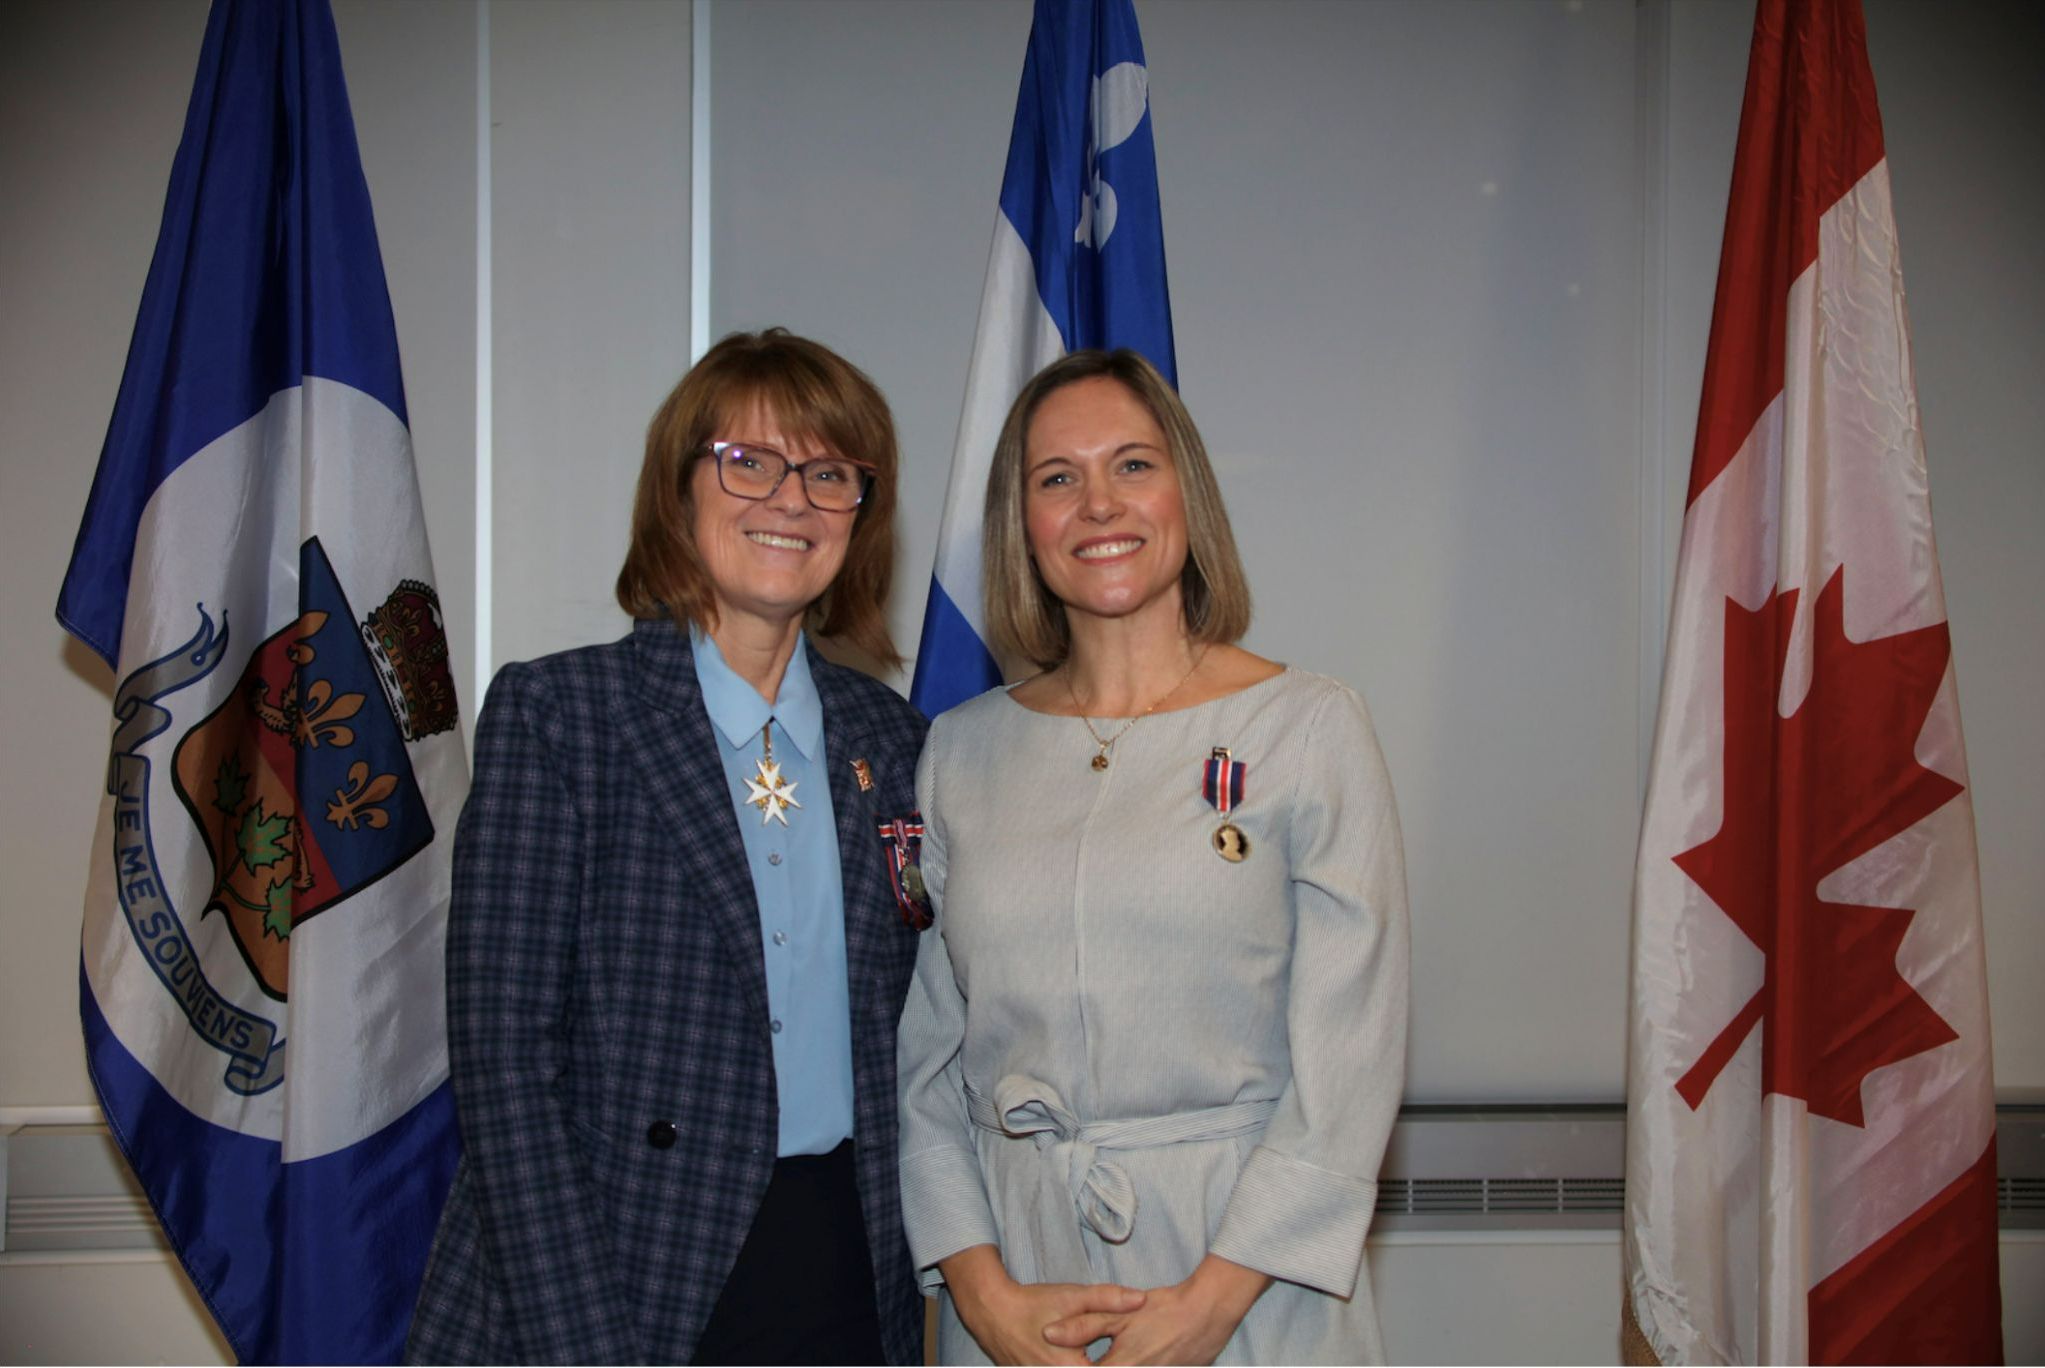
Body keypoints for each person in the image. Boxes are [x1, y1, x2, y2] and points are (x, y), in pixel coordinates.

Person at [407, 330, 931, 1365]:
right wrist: (583, 1344)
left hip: (843, 1266)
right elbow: (504, 1064)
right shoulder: (563, 716)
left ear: (859, 516)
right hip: (614, 1267)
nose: (790, 499)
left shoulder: (895, 743)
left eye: (828, 473)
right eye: (749, 461)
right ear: (678, 491)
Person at [898, 350, 1411, 1365]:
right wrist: (978, 1287)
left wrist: (1210, 1306)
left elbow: (1349, 1063)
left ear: (1186, 493)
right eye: (1057, 478)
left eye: (1130, 465)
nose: (1097, 505)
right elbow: (928, 1063)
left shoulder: (1308, 727)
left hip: (1246, 1281)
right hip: (1017, 1295)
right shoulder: (958, 750)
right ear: (1022, 525)